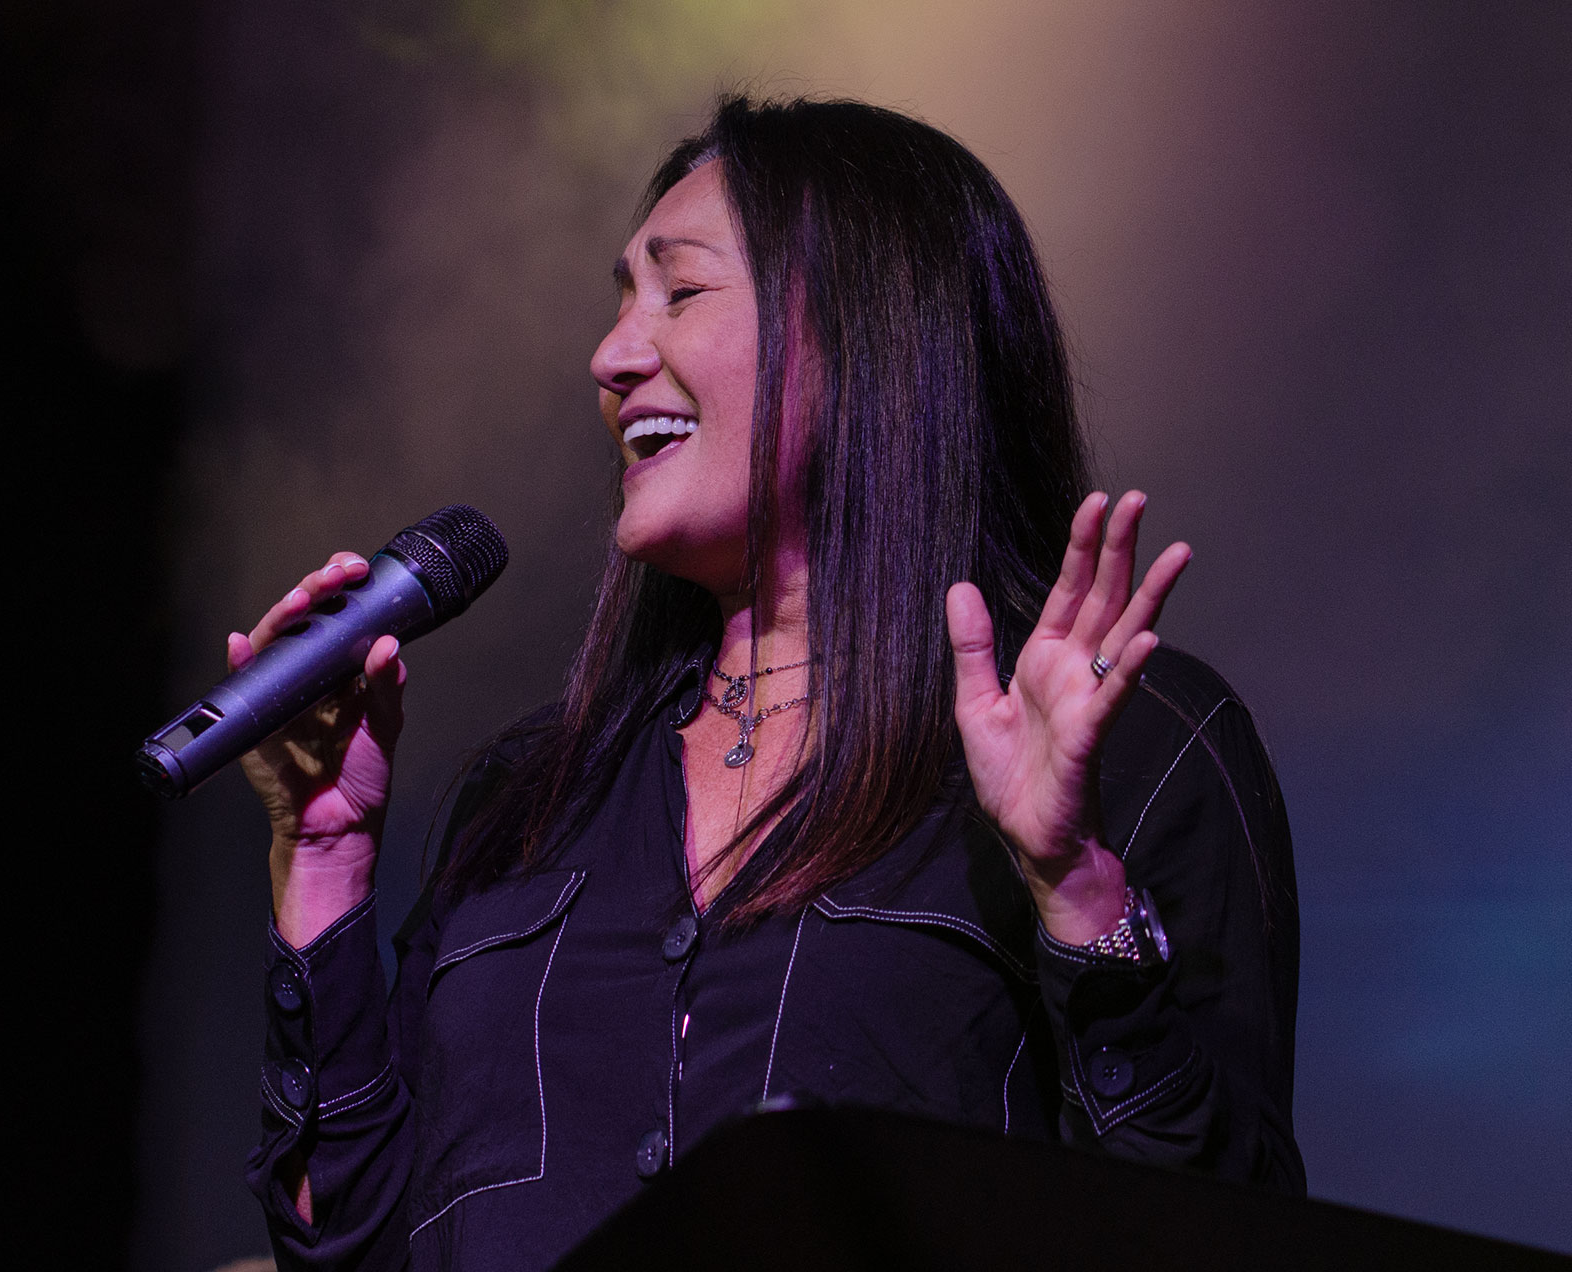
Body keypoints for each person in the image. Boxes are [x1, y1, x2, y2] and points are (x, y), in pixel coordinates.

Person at [234, 96, 1304, 1271]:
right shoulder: (527, 798)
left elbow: (1222, 1232)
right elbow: (354, 1251)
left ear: (870, 331)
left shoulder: (1128, 742)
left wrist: (1076, 893)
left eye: (680, 291)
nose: (612, 355)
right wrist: (323, 861)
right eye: (620, 299)